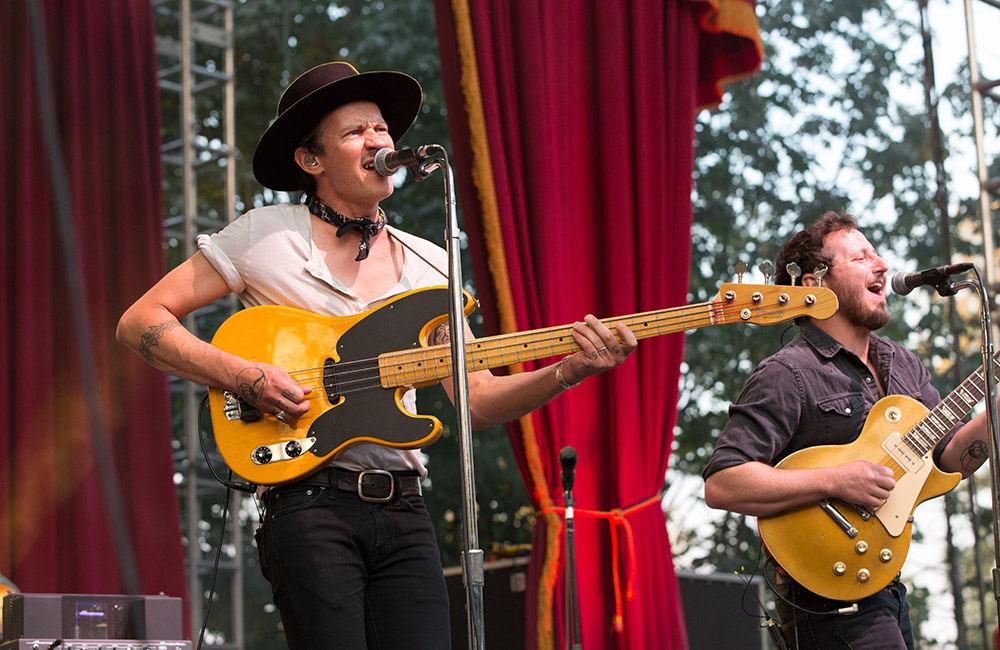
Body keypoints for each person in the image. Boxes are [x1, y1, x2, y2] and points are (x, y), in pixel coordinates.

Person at [116, 61, 638, 649]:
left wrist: (568, 371)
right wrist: (242, 374)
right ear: (311, 161)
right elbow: (141, 321)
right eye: (354, 132)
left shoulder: (430, 261)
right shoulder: (267, 236)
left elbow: (480, 400)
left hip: (405, 509)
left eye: (383, 128)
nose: (379, 141)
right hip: (308, 501)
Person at [702, 211, 991, 650]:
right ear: (814, 284)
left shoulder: (902, 363)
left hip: (886, 583)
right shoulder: (788, 372)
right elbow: (722, 484)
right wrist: (838, 479)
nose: (882, 266)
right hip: (824, 598)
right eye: (861, 257)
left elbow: (950, 459)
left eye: (877, 254)